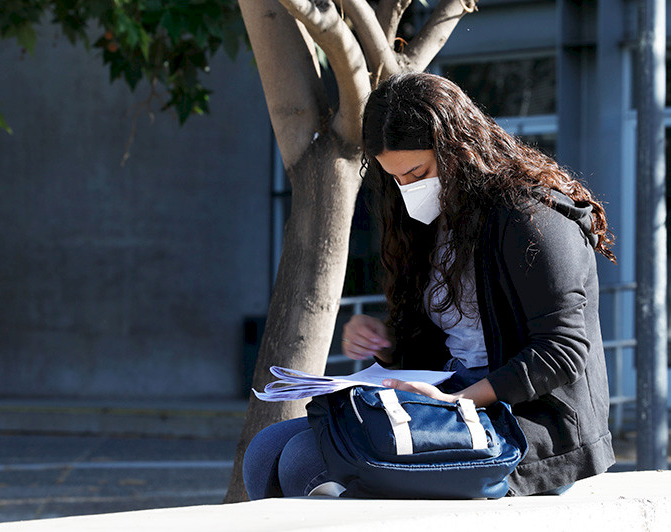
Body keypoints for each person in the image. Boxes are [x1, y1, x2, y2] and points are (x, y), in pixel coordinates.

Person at [243, 72, 616, 499]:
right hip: (449, 396)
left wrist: (459, 402)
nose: (408, 188)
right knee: (266, 449)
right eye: (395, 178)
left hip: (529, 421)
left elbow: (562, 351)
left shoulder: (531, 216)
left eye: (417, 172)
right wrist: (387, 342)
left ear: (458, 148)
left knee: (303, 462)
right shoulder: (428, 218)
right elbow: (444, 339)